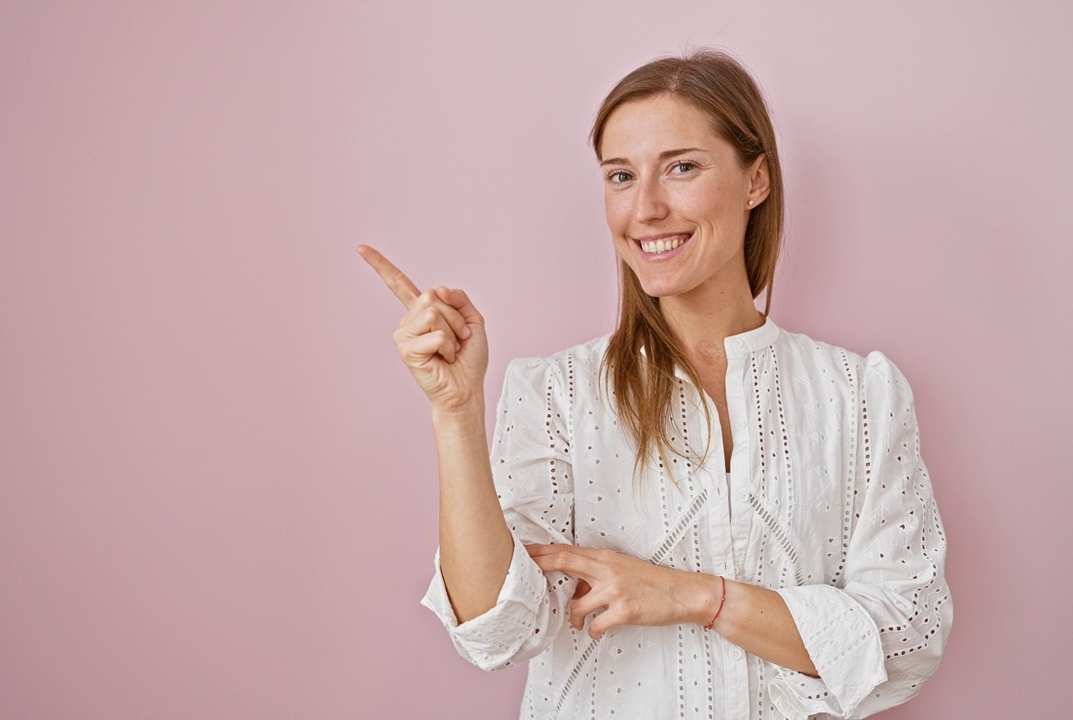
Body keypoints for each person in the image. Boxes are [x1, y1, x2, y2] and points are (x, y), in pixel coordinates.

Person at [358, 48, 951, 719]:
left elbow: (907, 637)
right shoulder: (556, 393)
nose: (645, 208)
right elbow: (498, 631)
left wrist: (698, 596)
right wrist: (455, 411)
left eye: (682, 167)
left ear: (755, 180)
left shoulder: (860, 394)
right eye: (620, 176)